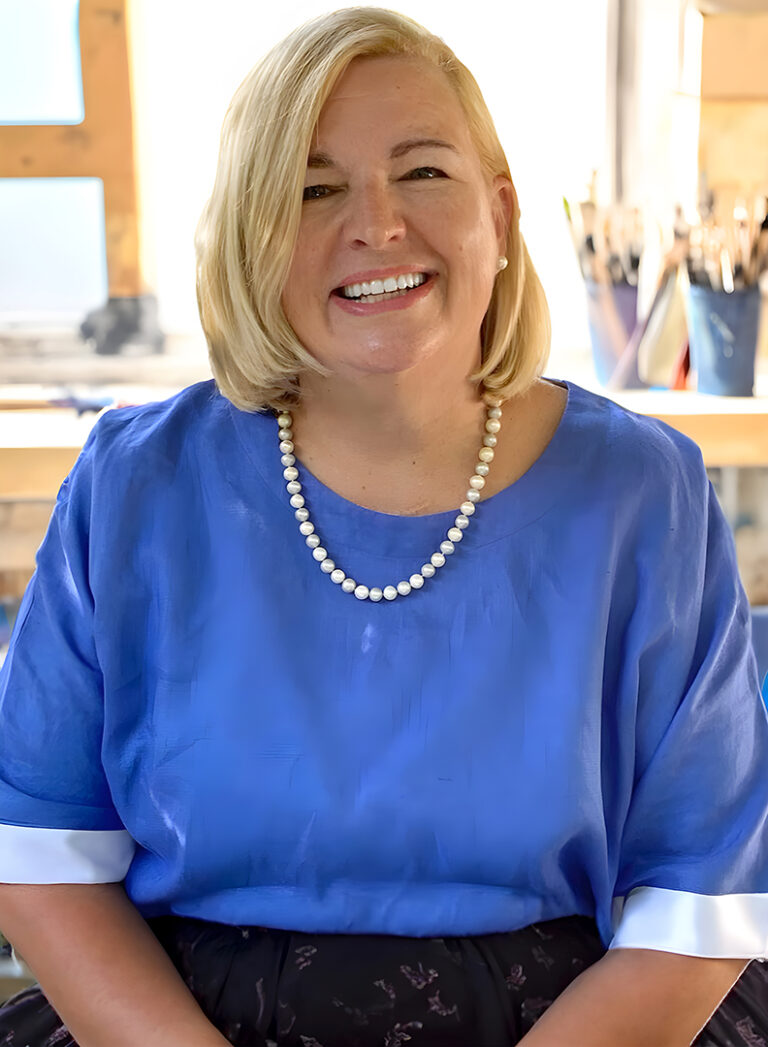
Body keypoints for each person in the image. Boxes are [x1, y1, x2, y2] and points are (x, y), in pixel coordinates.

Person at [0, 8, 767, 1046]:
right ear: (248, 239)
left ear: (500, 216)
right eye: (314, 188)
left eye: (424, 173)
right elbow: (39, 856)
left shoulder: (646, 491)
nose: (378, 225)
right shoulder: (135, 484)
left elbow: (699, 905)